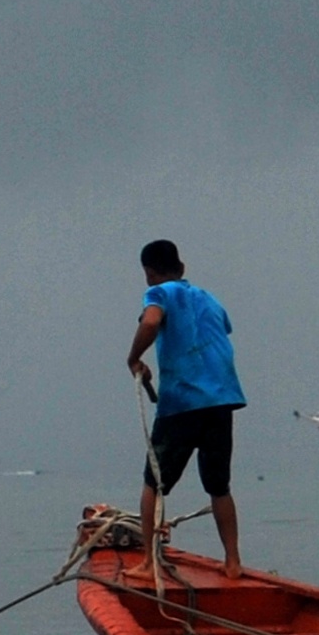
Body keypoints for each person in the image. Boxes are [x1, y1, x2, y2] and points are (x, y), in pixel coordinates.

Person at [125, 239, 244, 581]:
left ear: (149, 272)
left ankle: (148, 563)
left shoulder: (159, 293)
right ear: (182, 267)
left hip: (183, 402)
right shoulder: (209, 299)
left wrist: (134, 359)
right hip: (222, 399)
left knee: (154, 481)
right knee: (219, 485)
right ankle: (232, 562)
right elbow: (215, 334)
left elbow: (150, 323)